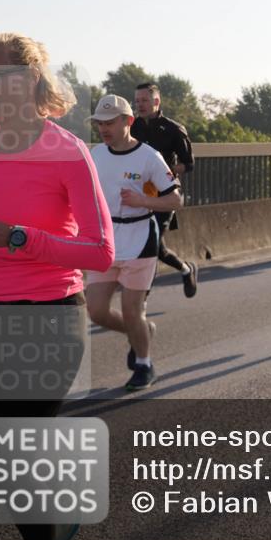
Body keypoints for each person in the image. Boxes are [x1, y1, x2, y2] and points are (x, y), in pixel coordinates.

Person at [0, 33, 114, 540]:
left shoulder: (68, 153)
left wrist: (21, 237)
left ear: (29, 79)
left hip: (50, 315)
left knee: (17, 453)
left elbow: (101, 252)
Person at [87, 95, 182, 390]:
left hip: (140, 238)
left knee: (132, 309)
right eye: (100, 123)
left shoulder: (149, 157)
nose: (104, 128)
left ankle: (144, 363)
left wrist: (143, 200)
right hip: (105, 240)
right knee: (96, 311)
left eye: (110, 122)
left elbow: (176, 199)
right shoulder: (95, 155)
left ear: (128, 121)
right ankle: (141, 331)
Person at [131, 82, 197, 297]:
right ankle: (185, 269)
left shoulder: (174, 129)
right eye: (137, 101)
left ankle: (141, 299)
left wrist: (164, 171)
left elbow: (189, 164)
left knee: (153, 246)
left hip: (165, 196)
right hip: (138, 194)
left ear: (156, 101)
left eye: (144, 100)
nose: (140, 105)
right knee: (155, 249)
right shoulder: (131, 127)